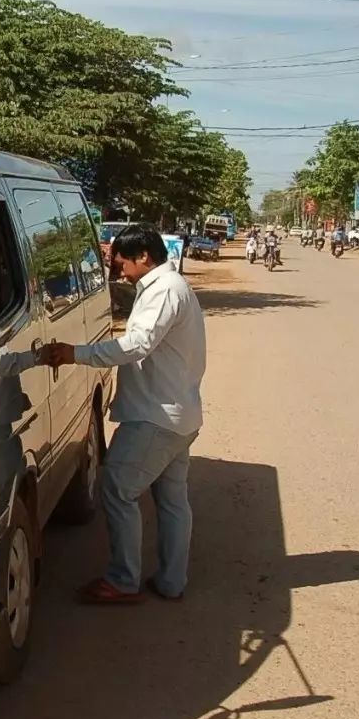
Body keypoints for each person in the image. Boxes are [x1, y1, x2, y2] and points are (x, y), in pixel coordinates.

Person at [39, 224, 206, 604]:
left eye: (122, 262)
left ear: (144, 257)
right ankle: (171, 581)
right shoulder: (170, 286)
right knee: (172, 501)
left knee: (116, 488)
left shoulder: (164, 291)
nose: (119, 270)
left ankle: (123, 581)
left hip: (156, 417)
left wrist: (76, 354)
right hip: (178, 413)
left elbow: (136, 345)